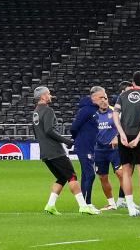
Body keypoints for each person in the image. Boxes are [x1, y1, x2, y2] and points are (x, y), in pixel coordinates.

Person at [32, 86, 98, 215]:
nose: (50, 96)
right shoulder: (48, 110)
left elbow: (37, 133)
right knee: (72, 176)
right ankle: (83, 206)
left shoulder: (35, 112)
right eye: (49, 94)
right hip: (55, 151)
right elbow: (49, 130)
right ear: (43, 97)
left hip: (45, 152)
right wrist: (66, 141)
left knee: (61, 178)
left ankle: (50, 205)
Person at [71, 85, 119, 212]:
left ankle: (87, 204)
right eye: (101, 97)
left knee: (90, 174)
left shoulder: (105, 111)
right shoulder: (89, 111)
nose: (104, 100)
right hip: (91, 148)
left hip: (102, 148)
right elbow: (75, 127)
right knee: (93, 175)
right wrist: (79, 139)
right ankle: (87, 204)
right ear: (95, 98)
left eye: (105, 97)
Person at [115, 72, 140, 217]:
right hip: (139, 137)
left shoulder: (123, 96)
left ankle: (131, 208)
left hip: (124, 137)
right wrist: (138, 138)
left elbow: (115, 115)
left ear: (132, 82)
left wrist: (122, 134)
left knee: (126, 172)